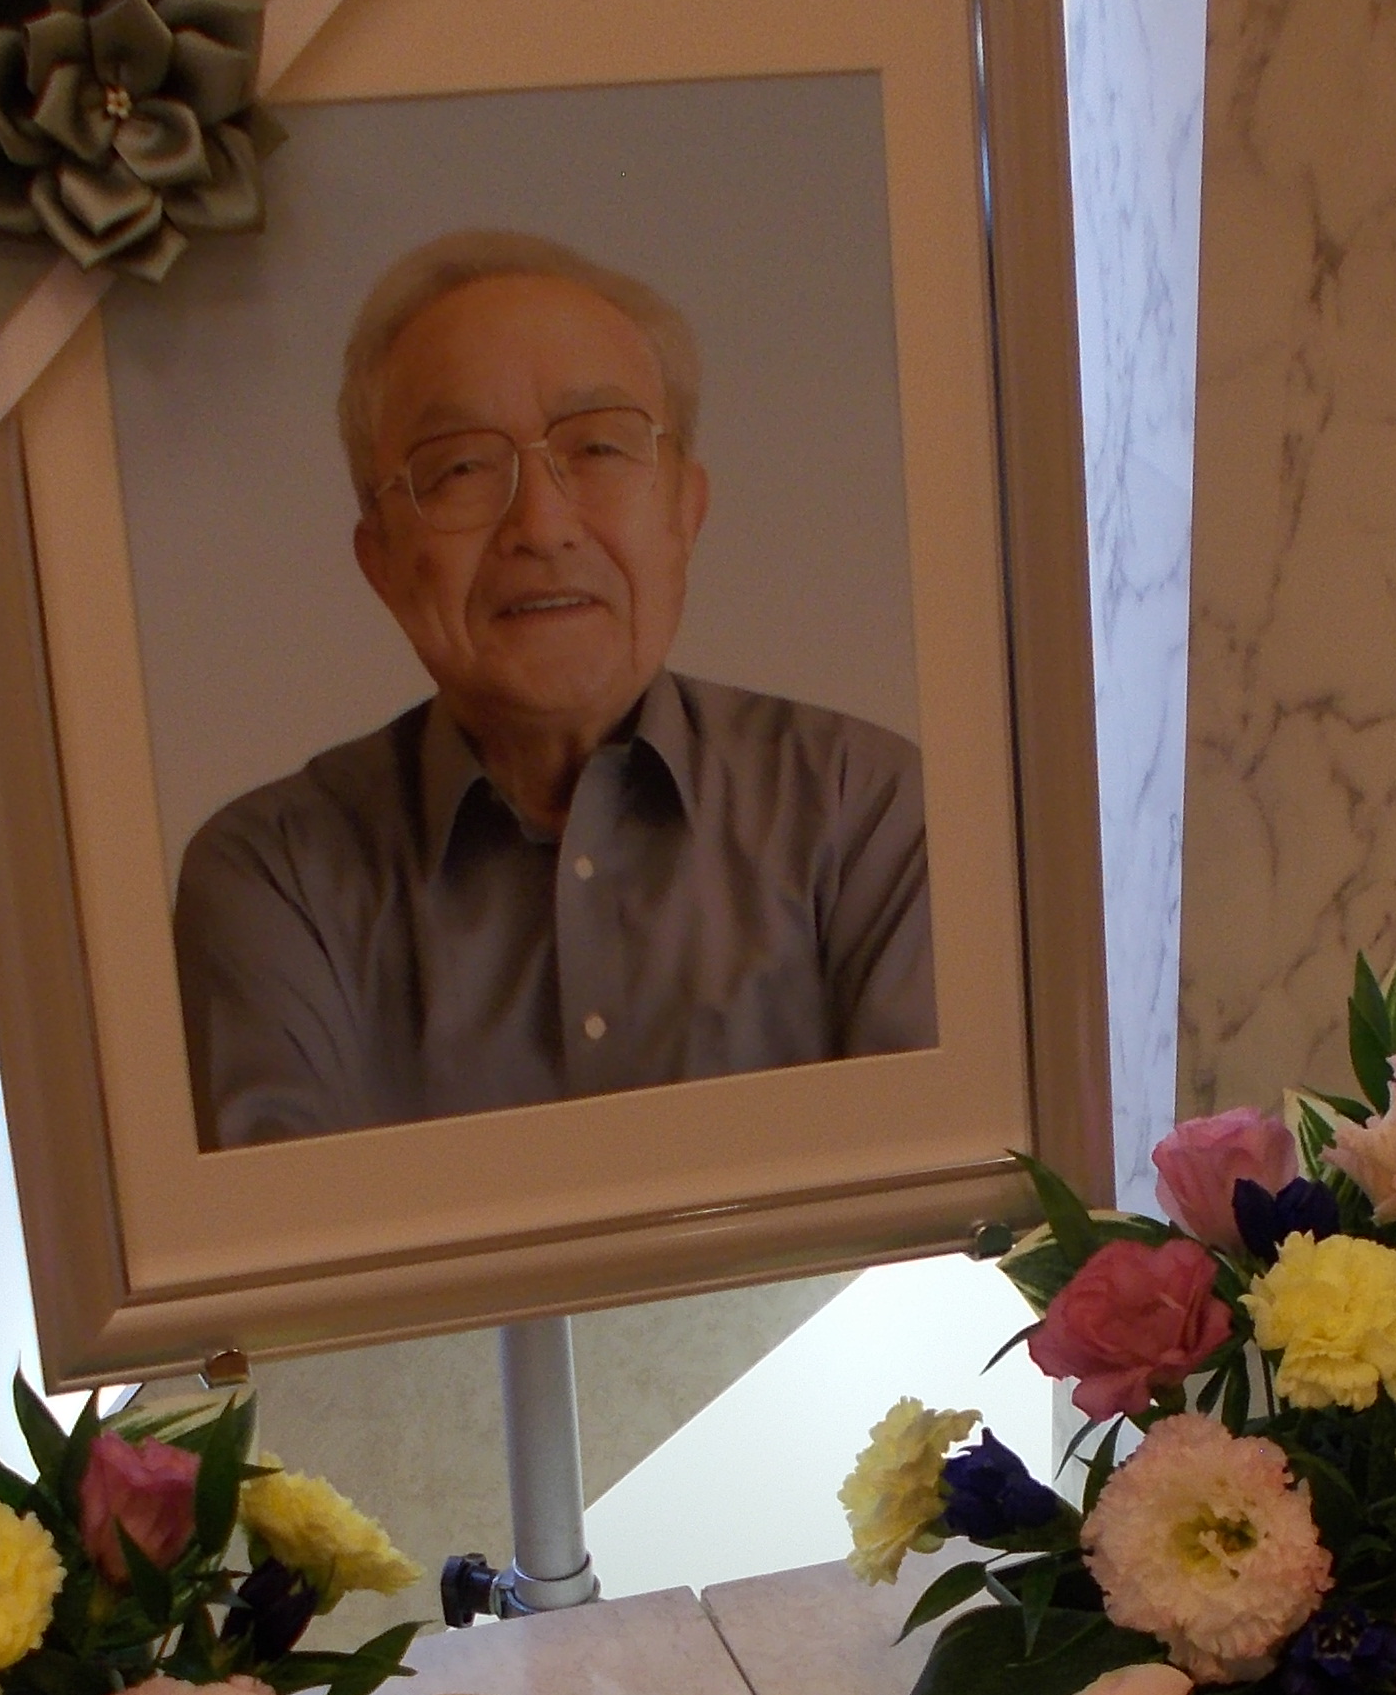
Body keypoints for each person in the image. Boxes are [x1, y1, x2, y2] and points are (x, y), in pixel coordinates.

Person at [171, 229, 936, 1149]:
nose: (541, 524)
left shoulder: (866, 814)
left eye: (600, 448)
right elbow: (289, 1233)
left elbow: (944, 1209)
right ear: (380, 560)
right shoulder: (274, 880)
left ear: (686, 513)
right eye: (460, 468)